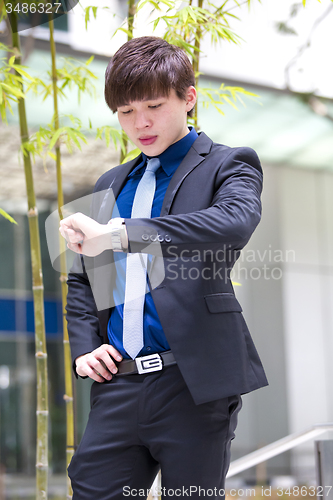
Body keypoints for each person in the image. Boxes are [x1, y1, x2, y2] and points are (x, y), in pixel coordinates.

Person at [61, 36, 268, 500]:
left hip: (192, 383)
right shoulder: (111, 181)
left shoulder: (228, 164)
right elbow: (83, 278)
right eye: (126, 112)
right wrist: (84, 349)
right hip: (118, 382)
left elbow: (230, 223)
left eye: (153, 105)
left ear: (188, 98)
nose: (141, 123)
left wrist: (119, 233)